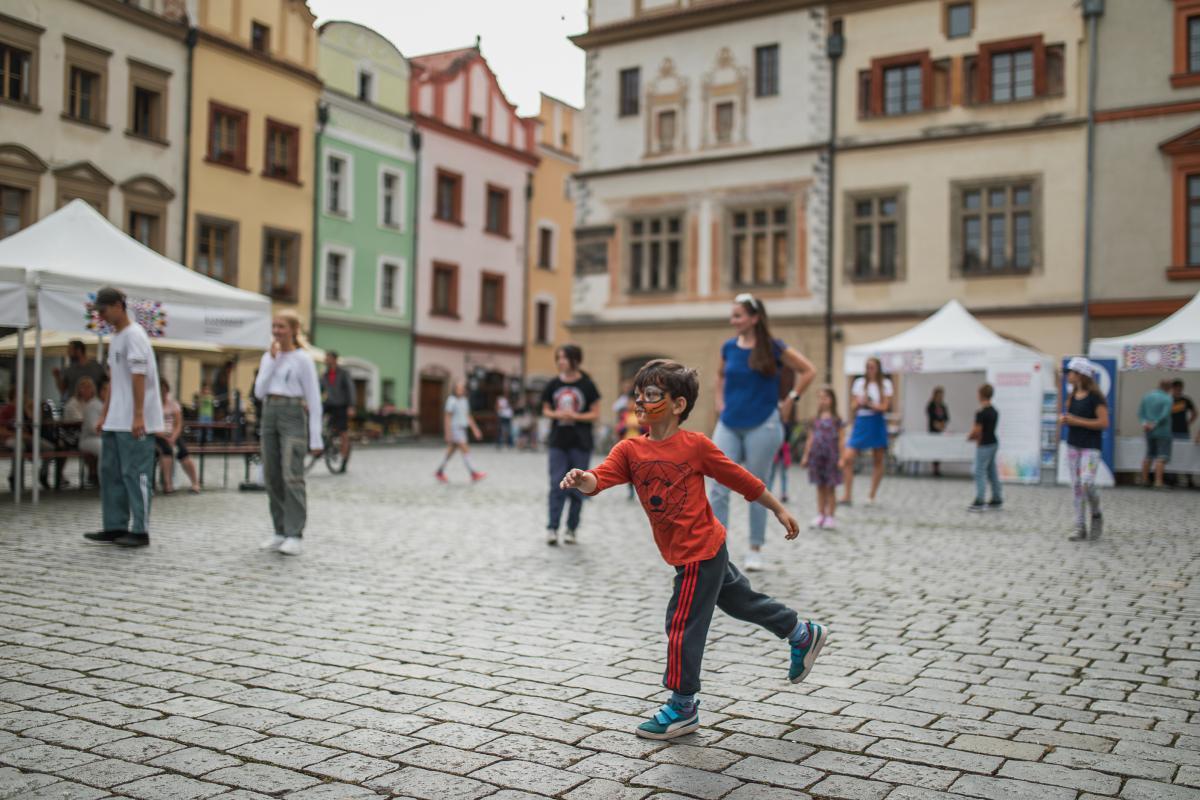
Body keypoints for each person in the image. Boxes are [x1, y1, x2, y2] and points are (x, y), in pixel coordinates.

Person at [560, 359, 828, 741]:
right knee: (740, 602)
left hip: (700, 553)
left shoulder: (696, 446)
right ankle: (801, 633)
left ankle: (683, 706)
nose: (640, 402)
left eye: (651, 395)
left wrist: (779, 509)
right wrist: (581, 478)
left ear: (678, 404)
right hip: (701, 550)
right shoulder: (630, 450)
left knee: (682, 624)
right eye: (638, 395)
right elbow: (599, 479)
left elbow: (742, 479)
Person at [712, 295, 816, 572]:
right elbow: (720, 377)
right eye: (732, 316)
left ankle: (755, 548)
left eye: (738, 316)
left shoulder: (773, 347)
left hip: (763, 424)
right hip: (729, 422)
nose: (733, 321)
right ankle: (716, 550)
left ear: (755, 318)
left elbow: (808, 370)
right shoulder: (728, 347)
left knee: (756, 488)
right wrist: (719, 402)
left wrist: (792, 397)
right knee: (718, 487)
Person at [82, 287, 164, 548]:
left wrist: (139, 415)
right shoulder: (116, 337)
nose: (102, 316)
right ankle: (115, 524)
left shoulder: (135, 335)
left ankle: (140, 529)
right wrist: (106, 413)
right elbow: (115, 380)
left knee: (136, 473)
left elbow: (139, 376)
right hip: (117, 419)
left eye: (104, 311)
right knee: (111, 473)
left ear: (119, 305)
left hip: (134, 420)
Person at [253, 310, 323, 556]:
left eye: (281, 326)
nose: (277, 331)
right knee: (271, 475)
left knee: (291, 474)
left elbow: (314, 399)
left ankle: (295, 533)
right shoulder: (268, 357)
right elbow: (259, 392)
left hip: (293, 413)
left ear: (294, 330)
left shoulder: (303, 358)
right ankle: (279, 530)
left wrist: (316, 437)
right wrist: (272, 361)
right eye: (274, 326)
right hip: (269, 412)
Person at [542, 345, 601, 545]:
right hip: (558, 441)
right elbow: (546, 409)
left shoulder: (587, 385)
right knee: (556, 484)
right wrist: (557, 414)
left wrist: (576, 416)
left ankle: (571, 529)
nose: (560, 362)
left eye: (564, 358)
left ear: (575, 360)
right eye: (558, 358)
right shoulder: (553, 384)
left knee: (577, 486)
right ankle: (552, 527)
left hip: (580, 442)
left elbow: (595, 414)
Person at [1061, 358, 1109, 541]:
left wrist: (1076, 421)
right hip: (1073, 444)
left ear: (1080, 374)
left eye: (1070, 372)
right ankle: (1079, 526)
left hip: (1091, 446)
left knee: (1087, 483)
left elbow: (1104, 423)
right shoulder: (1072, 396)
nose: (1067, 376)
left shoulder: (1096, 397)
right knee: (1076, 487)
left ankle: (1096, 513)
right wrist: (1065, 419)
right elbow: (1070, 416)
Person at [839, 357, 893, 506]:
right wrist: (860, 402)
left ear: (878, 368)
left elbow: (885, 406)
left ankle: (871, 495)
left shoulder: (886, 384)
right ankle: (847, 495)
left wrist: (872, 404)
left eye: (872, 367)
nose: (870, 370)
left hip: (876, 421)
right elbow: (853, 404)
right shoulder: (859, 383)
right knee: (848, 458)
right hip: (862, 421)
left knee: (878, 458)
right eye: (868, 367)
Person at [800, 386, 845, 530]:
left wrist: (842, 458)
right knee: (819, 486)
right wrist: (806, 456)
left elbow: (841, 440)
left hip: (831, 457)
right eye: (820, 398)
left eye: (825, 397)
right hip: (817, 457)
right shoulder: (815, 419)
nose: (822, 401)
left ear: (832, 400)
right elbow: (810, 439)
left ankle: (831, 516)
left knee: (830, 487)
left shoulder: (837, 420)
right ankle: (820, 514)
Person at [156, 378, 200, 495]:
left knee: (184, 452)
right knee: (166, 451)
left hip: (172, 434)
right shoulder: (153, 404)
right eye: (160, 390)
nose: (163, 392)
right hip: (158, 434)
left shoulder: (173, 404)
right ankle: (168, 483)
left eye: (164, 390)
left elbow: (178, 423)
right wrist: (163, 436)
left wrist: (173, 437)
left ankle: (195, 482)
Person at [435, 380, 484, 482]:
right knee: (466, 450)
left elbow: (468, 416)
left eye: (462, 388)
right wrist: (448, 433)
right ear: (454, 389)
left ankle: (439, 471)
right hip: (455, 428)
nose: (460, 390)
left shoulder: (464, 400)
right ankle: (473, 473)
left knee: (450, 452)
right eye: (458, 388)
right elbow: (447, 417)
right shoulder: (451, 400)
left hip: (462, 428)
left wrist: (475, 429)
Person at [967, 383, 1002, 512]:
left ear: (981, 395)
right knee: (992, 471)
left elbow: (977, 431)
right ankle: (997, 498)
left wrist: (969, 437)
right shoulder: (994, 411)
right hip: (993, 443)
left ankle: (980, 500)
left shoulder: (981, 413)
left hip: (984, 445)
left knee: (979, 471)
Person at [62, 376, 103, 486]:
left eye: (89, 387)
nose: (86, 390)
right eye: (83, 387)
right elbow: (80, 420)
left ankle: (94, 474)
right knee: (100, 446)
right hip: (73, 436)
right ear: (78, 389)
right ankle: (95, 475)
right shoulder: (72, 403)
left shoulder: (96, 403)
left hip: (90, 433)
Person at [320, 351, 354, 468]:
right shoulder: (324, 375)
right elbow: (319, 390)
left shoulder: (343, 373)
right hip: (329, 404)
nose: (326, 360)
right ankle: (323, 439)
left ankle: (344, 457)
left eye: (328, 358)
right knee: (316, 415)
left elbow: (351, 389)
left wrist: (351, 406)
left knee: (343, 432)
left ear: (334, 359)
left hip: (341, 405)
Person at [1139, 380, 1174, 489]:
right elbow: (1165, 414)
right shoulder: (1167, 398)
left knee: (1149, 455)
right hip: (1163, 430)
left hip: (1148, 430)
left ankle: (1144, 480)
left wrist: (1145, 423)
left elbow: (1140, 413)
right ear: (1169, 388)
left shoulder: (1147, 396)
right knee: (1161, 456)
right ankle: (1158, 482)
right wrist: (1155, 423)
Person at [767, 392, 798, 504]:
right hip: (775, 451)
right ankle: (768, 491)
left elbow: (788, 437)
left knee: (783, 474)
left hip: (783, 451)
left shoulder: (785, 424)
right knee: (772, 473)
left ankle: (784, 492)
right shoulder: (773, 423)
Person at [53, 339, 105, 404]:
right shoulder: (69, 369)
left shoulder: (96, 367)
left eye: (70, 350)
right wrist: (57, 377)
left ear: (78, 351)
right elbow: (63, 390)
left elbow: (105, 387)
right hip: (75, 408)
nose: (68, 353)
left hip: (93, 408)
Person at [1170, 380, 1195, 488]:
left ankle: (1189, 478)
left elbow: (1195, 412)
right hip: (1171, 431)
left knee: (1186, 454)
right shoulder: (1168, 400)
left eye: (1180, 388)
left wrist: (1189, 423)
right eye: (1176, 388)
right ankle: (1173, 478)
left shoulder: (1186, 400)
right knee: (1173, 454)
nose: (1178, 390)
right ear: (1173, 388)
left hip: (1183, 431)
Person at [926, 386, 948, 477]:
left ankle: (937, 467)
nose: (940, 397)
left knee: (939, 449)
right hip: (933, 430)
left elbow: (946, 417)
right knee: (934, 449)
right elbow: (931, 417)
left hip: (941, 430)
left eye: (941, 395)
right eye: (939, 395)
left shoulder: (943, 406)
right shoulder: (931, 405)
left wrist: (942, 424)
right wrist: (936, 424)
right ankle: (934, 468)